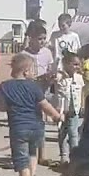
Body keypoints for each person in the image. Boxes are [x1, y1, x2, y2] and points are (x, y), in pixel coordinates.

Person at [0, 54, 62, 176]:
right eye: (33, 70)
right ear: (26, 72)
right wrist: (57, 116)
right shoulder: (34, 87)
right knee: (32, 153)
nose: (35, 73)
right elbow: (45, 105)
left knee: (21, 159)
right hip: (36, 127)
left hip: (18, 127)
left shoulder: (4, 87)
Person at [18, 20, 57, 165]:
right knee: (30, 123)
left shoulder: (47, 52)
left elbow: (50, 69)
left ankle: (42, 155)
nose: (42, 41)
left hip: (43, 91)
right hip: (28, 92)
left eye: (44, 38)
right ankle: (29, 153)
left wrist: (50, 77)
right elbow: (18, 75)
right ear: (31, 39)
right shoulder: (24, 54)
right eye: (39, 38)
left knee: (41, 124)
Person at [51, 51, 85, 167]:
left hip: (74, 110)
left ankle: (74, 158)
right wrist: (60, 71)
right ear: (66, 64)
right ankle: (64, 157)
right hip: (62, 111)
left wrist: (82, 106)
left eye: (78, 64)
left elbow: (81, 92)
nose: (77, 67)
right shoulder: (60, 77)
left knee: (73, 134)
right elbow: (53, 77)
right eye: (74, 64)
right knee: (62, 134)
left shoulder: (79, 78)